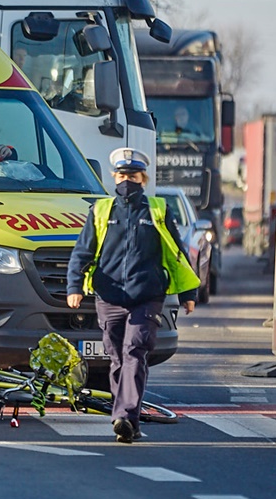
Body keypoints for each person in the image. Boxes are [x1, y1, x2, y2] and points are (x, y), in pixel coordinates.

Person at [64, 148, 199, 443]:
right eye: (123, 175)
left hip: (146, 296)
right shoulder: (101, 211)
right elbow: (82, 252)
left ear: (143, 179)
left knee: (135, 352)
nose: (127, 181)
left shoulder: (157, 210)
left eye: (133, 176)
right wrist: (74, 287)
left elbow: (177, 253)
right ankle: (128, 420)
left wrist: (188, 292)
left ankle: (124, 416)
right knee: (116, 358)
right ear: (114, 177)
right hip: (109, 296)